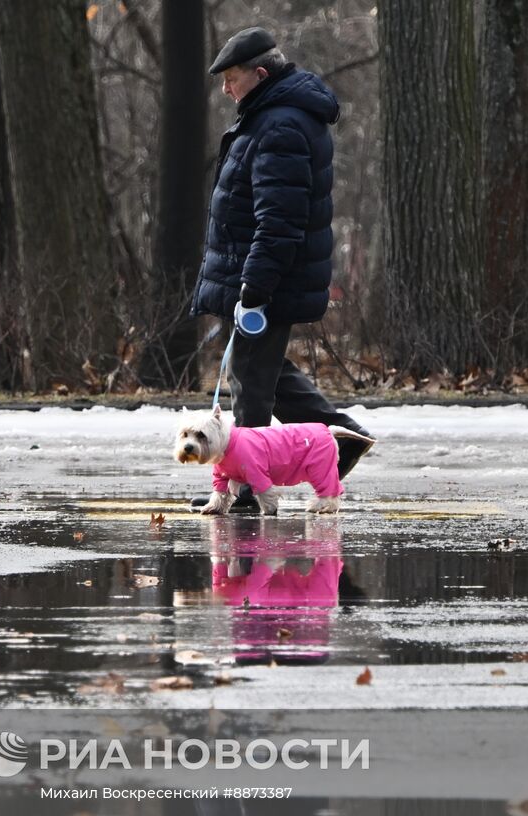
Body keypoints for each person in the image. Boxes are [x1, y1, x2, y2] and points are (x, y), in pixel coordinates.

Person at [190, 27, 373, 513]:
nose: (226, 89)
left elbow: (280, 219)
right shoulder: (267, 118)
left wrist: (255, 285)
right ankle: (343, 436)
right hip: (256, 274)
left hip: (265, 278)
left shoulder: (280, 126)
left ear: (261, 74)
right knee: (259, 370)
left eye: (232, 78)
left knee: (251, 376)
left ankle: (245, 486)